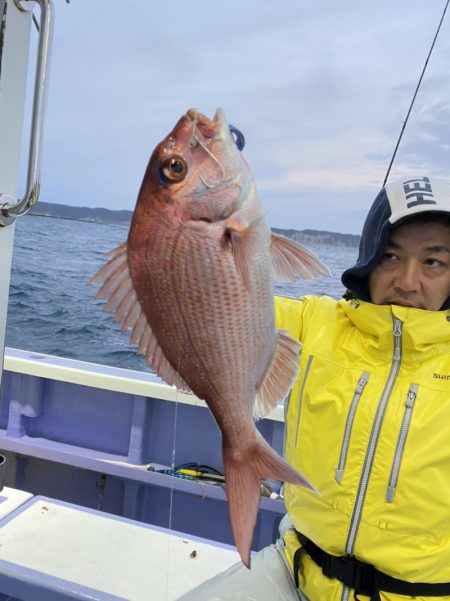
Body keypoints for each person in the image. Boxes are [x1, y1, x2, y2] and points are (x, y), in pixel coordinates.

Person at [177, 175, 450, 601]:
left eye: (434, 262)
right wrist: (204, 212)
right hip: (297, 571)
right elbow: (209, 299)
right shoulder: (316, 322)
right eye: (391, 256)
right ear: (369, 259)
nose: (408, 281)